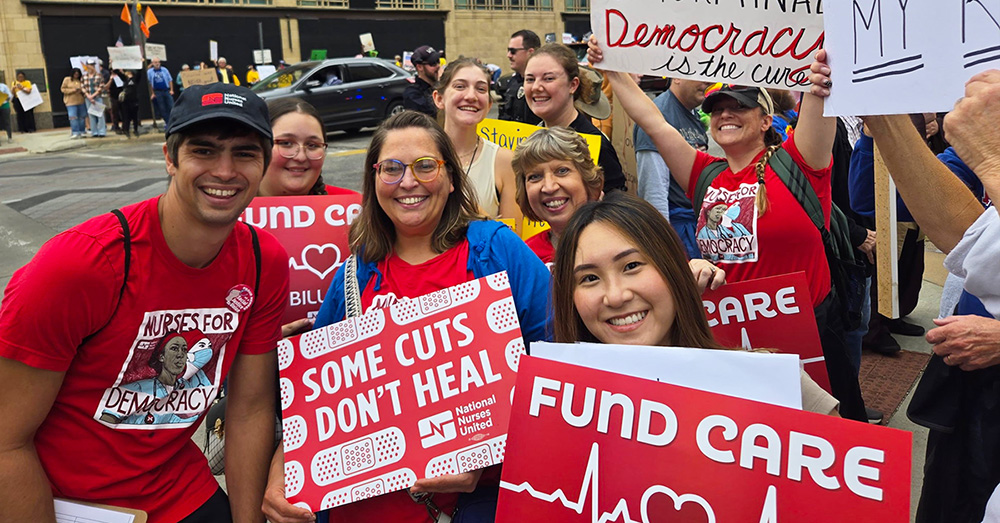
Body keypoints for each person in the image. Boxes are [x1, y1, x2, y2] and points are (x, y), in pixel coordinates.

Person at [0, 82, 289, 523]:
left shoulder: (263, 261)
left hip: (176, 489)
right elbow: (6, 441)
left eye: (245, 153)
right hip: (65, 501)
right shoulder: (82, 264)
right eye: (204, 151)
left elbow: (249, 409)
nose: (226, 170)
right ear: (170, 158)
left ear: (264, 164)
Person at [261, 110, 552, 523]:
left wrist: (487, 456)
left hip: (462, 510)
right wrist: (279, 474)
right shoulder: (355, 272)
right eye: (392, 168)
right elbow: (311, 399)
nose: (408, 182)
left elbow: (559, 369)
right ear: (375, 181)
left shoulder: (497, 251)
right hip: (360, 510)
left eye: (425, 166)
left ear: (451, 178)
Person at [588, 39, 866, 422]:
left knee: (826, 439)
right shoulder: (704, 173)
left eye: (739, 106)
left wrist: (822, 67)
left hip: (809, 333)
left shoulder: (799, 163)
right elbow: (653, 122)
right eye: (716, 109)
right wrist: (613, 72)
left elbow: (820, 95)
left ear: (766, 120)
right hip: (733, 337)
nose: (725, 114)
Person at [551, 192, 840, 415]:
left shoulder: (771, 381)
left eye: (632, 266)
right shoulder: (554, 408)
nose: (615, 296)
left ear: (673, 269)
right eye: (589, 278)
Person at [512, 126, 726, 291]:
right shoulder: (522, 255)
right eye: (535, 176)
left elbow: (679, 285)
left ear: (590, 181)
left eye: (561, 171)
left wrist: (698, 271)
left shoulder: (636, 233)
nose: (549, 186)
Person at [524, 43, 626, 193]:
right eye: (530, 79)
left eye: (548, 78)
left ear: (573, 85)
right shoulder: (529, 139)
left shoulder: (596, 146)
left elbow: (617, 204)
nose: (536, 87)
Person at [433, 57, 522, 224]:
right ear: (439, 99)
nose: (471, 96)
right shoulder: (419, 155)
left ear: (488, 105)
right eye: (460, 86)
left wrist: (472, 211)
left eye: (481, 89)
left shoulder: (504, 161)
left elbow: (511, 243)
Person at [634, 78, 711, 259]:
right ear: (677, 75)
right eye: (700, 75)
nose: (707, 82)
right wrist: (665, 245)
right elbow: (653, 188)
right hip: (678, 230)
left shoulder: (693, 112)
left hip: (696, 225)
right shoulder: (659, 115)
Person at [259, 97, 359, 198]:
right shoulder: (242, 206)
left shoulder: (353, 206)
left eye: (312, 145)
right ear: (260, 147)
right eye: (286, 143)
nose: (301, 157)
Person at [499, 29, 542, 125]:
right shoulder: (513, 82)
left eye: (513, 51)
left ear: (530, 52)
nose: (508, 55)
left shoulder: (543, 84)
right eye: (508, 50)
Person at [403, 45, 441, 117]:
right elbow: (433, 113)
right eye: (433, 63)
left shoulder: (439, 86)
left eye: (438, 61)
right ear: (419, 67)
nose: (438, 66)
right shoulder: (413, 93)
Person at [147, 57, 174, 127]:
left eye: (158, 62)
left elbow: (170, 80)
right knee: (162, 108)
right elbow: (150, 83)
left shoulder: (164, 70)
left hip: (166, 91)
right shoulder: (150, 72)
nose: (157, 64)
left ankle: (173, 122)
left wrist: (171, 90)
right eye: (155, 62)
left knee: (171, 106)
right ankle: (168, 123)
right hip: (157, 92)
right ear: (152, 63)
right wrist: (152, 93)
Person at [61, 67, 87, 139]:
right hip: (70, 101)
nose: (76, 75)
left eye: (78, 74)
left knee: (82, 117)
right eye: (75, 74)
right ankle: (75, 132)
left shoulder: (81, 80)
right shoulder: (67, 79)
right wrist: (72, 90)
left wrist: (81, 90)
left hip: (80, 100)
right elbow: (63, 89)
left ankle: (82, 131)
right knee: (73, 117)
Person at [120, 70, 142, 138]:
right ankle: (126, 130)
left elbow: (139, 74)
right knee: (126, 117)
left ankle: (135, 130)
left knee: (135, 117)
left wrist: (140, 64)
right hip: (126, 101)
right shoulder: (124, 79)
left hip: (134, 100)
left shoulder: (135, 79)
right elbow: (118, 73)